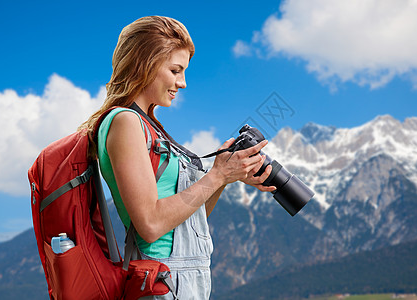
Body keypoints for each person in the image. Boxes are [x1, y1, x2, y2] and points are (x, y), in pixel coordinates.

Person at [79, 16, 276, 299]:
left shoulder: (150, 125)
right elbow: (150, 224)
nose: (182, 83)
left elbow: (189, 220)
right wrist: (216, 175)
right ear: (144, 63)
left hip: (183, 278)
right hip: (163, 280)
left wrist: (225, 177)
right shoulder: (125, 122)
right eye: (175, 70)